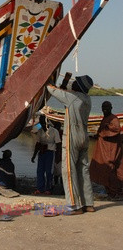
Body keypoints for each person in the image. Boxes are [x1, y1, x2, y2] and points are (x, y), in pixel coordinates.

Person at [46, 74, 96, 215]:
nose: (72, 84)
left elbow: (51, 89)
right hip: (84, 136)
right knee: (83, 170)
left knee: (68, 170)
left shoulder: (72, 97)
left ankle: (74, 206)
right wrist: (65, 82)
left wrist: (49, 77)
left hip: (72, 136)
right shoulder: (87, 99)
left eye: (75, 82)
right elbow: (65, 93)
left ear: (78, 86)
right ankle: (88, 204)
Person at [89, 101, 123, 200]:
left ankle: (115, 192)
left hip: (110, 150)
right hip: (104, 150)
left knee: (111, 169)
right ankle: (110, 192)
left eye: (107, 107)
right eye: (103, 107)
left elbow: (116, 130)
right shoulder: (106, 119)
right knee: (103, 169)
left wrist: (104, 131)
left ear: (111, 108)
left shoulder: (113, 119)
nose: (105, 109)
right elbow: (102, 131)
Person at [31, 115, 61, 195]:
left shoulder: (54, 131)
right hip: (42, 152)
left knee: (49, 171)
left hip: (50, 152)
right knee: (40, 171)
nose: (42, 123)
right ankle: (40, 188)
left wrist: (58, 157)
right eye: (41, 122)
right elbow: (37, 144)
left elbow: (58, 145)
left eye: (43, 122)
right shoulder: (40, 131)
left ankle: (49, 189)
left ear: (46, 122)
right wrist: (34, 155)